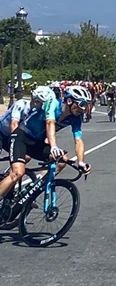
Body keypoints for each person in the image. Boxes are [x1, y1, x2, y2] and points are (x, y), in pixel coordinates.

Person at [0, 86, 90, 216]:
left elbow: (78, 140)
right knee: (17, 173)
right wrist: (53, 147)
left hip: (36, 143)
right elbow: (50, 123)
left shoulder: (75, 118)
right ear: (70, 101)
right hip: (21, 137)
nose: (83, 109)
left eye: (86, 105)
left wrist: (81, 162)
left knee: (61, 161)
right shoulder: (53, 104)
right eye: (82, 104)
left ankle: (33, 188)